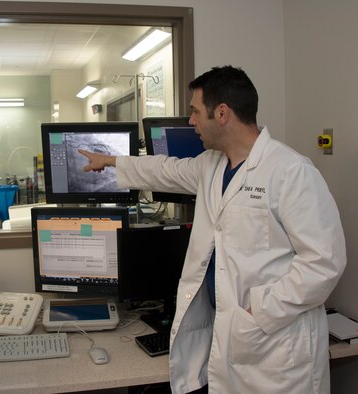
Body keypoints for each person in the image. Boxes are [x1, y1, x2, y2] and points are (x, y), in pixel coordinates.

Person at [79, 65, 346, 394]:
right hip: (232, 337)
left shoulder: (291, 172)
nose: (190, 121)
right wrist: (111, 162)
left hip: (278, 348)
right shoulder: (212, 165)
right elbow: (165, 170)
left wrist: (258, 311)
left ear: (222, 113)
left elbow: (325, 262)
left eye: (194, 111)